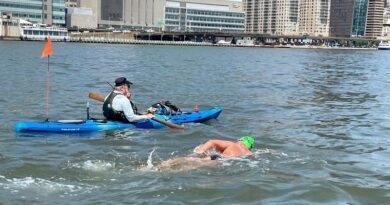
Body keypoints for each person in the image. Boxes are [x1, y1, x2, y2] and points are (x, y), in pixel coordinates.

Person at [156, 136, 254, 171]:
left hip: (217, 157)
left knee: (188, 159)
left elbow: (212, 141)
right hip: (224, 162)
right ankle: (169, 172)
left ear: (240, 140)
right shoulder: (248, 152)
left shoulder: (232, 144)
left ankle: (160, 166)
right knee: (192, 167)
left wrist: (198, 152)